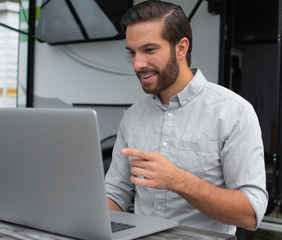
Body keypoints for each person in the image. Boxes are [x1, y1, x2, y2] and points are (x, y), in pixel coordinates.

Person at [105, 0, 268, 235]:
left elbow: (251, 214)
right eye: (132, 52)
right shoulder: (132, 117)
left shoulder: (234, 112)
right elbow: (115, 194)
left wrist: (178, 181)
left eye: (149, 50)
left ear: (181, 48)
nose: (137, 64)